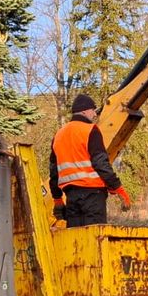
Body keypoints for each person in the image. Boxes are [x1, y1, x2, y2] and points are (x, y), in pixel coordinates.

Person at [49, 94, 131, 227]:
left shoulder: (58, 135)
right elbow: (101, 164)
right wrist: (117, 187)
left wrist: (57, 198)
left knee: (76, 241)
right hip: (93, 196)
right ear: (84, 111)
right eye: (93, 110)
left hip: (71, 199)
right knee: (95, 239)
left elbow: (54, 172)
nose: (94, 114)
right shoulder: (90, 130)